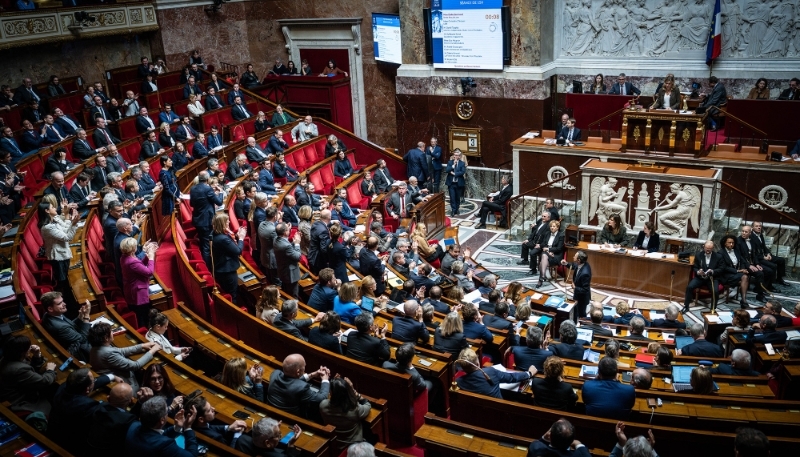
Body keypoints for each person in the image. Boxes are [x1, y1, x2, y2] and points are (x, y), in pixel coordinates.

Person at [88, 322, 160, 390]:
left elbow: (121, 351)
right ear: (106, 338)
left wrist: (142, 346)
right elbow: (135, 365)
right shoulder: (108, 353)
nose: (113, 333)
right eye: (111, 331)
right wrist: (152, 351)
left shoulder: (95, 348)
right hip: (127, 386)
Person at [0, 335, 58, 415]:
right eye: (28, 348)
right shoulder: (19, 369)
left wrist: (37, 356)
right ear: (23, 352)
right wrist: (50, 371)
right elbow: (44, 381)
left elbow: (28, 371)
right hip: (21, 400)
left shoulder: (6, 358)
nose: (30, 349)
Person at [124, 396, 198, 457]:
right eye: (167, 411)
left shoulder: (133, 425)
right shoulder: (165, 445)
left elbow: (155, 437)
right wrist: (187, 427)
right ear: (162, 420)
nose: (168, 413)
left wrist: (177, 427)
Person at [267, 353, 330, 419]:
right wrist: (325, 380)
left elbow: (291, 381)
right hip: (291, 419)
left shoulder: (275, 374)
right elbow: (321, 398)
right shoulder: (302, 388)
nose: (305, 367)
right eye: (304, 366)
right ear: (298, 372)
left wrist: (312, 375)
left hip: (271, 413)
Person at [456, 348, 535, 399]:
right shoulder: (490, 372)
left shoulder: (458, 382)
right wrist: (529, 373)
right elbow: (511, 377)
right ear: (477, 363)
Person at [319, 376, 372, 451]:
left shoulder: (323, 406)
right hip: (354, 446)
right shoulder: (354, 409)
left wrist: (336, 384)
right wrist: (354, 392)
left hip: (335, 444)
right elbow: (367, 405)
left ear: (331, 393)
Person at [38, 200, 79, 293]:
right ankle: (66, 300)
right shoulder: (47, 227)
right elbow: (67, 237)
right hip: (57, 257)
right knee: (63, 281)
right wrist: (74, 224)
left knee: (67, 278)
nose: (55, 208)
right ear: (47, 211)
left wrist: (69, 218)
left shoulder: (55, 219)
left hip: (63, 253)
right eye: (52, 207)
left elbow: (65, 228)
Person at [184, 395, 250, 450]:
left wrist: (228, 428)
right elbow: (230, 451)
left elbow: (209, 427)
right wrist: (237, 436)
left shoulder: (192, 424)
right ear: (201, 419)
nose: (214, 409)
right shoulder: (217, 438)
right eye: (209, 410)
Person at [119, 238, 157, 326]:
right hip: (137, 293)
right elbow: (149, 272)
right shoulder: (131, 261)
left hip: (132, 289)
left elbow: (139, 265)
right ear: (133, 249)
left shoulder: (124, 257)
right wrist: (151, 258)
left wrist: (147, 257)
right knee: (142, 316)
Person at [190, 171, 224, 268]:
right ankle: (209, 268)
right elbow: (219, 202)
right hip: (206, 221)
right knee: (206, 246)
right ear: (208, 179)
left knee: (203, 244)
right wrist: (220, 192)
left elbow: (192, 204)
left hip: (198, 219)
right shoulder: (208, 189)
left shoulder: (193, 189)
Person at [682, 240, 723, 313]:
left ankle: (713, 308)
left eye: (710, 249)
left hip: (711, 278)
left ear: (713, 248)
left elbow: (721, 269)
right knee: (689, 287)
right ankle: (686, 306)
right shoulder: (698, 255)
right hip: (700, 277)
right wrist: (698, 272)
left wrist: (713, 271)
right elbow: (695, 267)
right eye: (707, 248)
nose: (708, 250)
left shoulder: (718, 257)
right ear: (704, 247)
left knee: (715, 291)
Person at [718, 234, 753, 309]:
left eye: (733, 243)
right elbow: (724, 268)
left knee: (745, 277)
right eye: (729, 242)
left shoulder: (736, 251)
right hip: (726, 275)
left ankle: (743, 300)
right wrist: (738, 270)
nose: (731, 244)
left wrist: (744, 269)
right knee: (744, 277)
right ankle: (743, 300)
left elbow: (742, 261)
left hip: (736, 274)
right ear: (725, 243)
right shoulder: (720, 253)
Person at [736, 226, 769, 303]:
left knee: (767, 271)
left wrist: (757, 264)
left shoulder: (752, 240)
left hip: (753, 263)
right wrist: (749, 265)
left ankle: (761, 289)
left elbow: (754, 254)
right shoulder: (738, 241)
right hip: (743, 265)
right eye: (742, 231)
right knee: (760, 274)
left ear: (750, 233)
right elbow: (740, 256)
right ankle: (760, 295)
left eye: (746, 232)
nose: (743, 233)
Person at [752, 221, 788, 287]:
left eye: (760, 226)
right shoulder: (751, 237)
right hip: (759, 258)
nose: (759, 227)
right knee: (773, 266)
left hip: (765, 255)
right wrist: (763, 257)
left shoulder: (760, 235)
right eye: (756, 226)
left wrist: (768, 253)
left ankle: (779, 279)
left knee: (781, 260)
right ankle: (770, 285)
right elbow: (754, 253)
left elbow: (764, 246)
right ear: (752, 227)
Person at [561, 250, 591, 323]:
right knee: (575, 311)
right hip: (577, 294)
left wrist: (575, 288)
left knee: (581, 314)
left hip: (582, 298)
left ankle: (583, 326)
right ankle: (574, 324)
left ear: (579, 260)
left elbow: (585, 290)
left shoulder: (585, 273)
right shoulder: (581, 264)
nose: (573, 257)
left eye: (575, 256)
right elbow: (574, 266)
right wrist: (566, 263)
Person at [274, 223, 303, 297]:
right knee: (294, 295)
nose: (289, 230)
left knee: (286, 291)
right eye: (288, 229)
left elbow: (287, 250)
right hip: (290, 275)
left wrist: (294, 242)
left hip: (282, 271)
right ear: (285, 232)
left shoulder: (276, 239)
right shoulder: (286, 246)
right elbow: (298, 257)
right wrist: (297, 244)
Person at [535, 220, 564, 288]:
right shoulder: (547, 233)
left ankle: (541, 278)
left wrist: (549, 250)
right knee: (544, 255)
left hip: (556, 255)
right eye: (551, 226)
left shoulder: (561, 235)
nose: (552, 228)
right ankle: (542, 277)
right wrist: (548, 251)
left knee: (542, 261)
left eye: (554, 226)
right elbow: (543, 244)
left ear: (557, 227)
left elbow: (559, 248)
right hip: (546, 253)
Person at [444, 149, 466, 216]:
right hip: (451, 184)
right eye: (454, 155)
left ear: (459, 156)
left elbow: (462, 172)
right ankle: (453, 210)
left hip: (459, 183)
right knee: (452, 197)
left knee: (457, 197)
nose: (455, 156)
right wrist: (453, 165)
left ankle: (457, 209)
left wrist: (454, 174)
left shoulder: (462, 163)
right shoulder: (450, 162)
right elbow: (447, 170)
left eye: (456, 155)